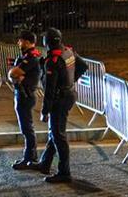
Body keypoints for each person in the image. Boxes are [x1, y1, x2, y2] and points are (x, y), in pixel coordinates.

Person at [35, 27, 78, 183]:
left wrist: (45, 111)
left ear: (48, 43)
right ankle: (45, 163)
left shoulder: (52, 61)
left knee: (58, 135)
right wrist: (69, 82)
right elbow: (82, 66)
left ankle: (64, 172)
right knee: (55, 131)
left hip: (59, 99)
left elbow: (49, 90)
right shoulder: (68, 52)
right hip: (69, 94)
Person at [8, 30, 42, 170]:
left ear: (27, 42)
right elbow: (13, 75)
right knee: (26, 128)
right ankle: (30, 157)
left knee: (27, 129)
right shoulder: (27, 56)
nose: (18, 43)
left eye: (20, 40)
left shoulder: (31, 57)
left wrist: (14, 75)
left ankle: (29, 158)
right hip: (23, 94)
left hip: (25, 95)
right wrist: (14, 75)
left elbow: (14, 73)